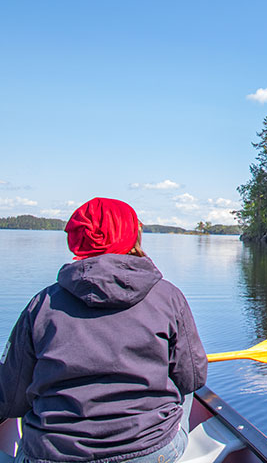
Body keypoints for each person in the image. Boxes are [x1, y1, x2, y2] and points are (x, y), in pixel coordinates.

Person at [0, 197, 207, 463]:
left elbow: (12, 399)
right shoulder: (168, 297)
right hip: (149, 452)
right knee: (187, 386)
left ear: (78, 240)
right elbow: (193, 378)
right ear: (132, 235)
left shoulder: (41, 305)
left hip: (54, 455)